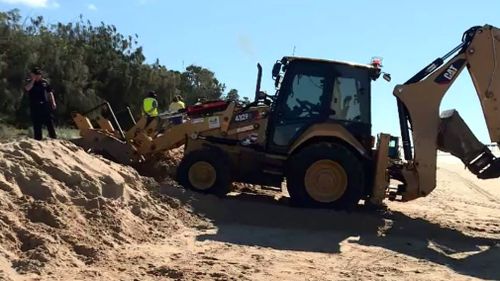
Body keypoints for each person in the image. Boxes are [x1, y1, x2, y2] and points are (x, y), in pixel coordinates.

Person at [24, 67, 57, 140]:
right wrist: (33, 80)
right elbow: (27, 88)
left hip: (44, 105)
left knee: (49, 121)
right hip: (35, 106)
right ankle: (38, 139)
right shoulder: (29, 82)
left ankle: (53, 137)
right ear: (32, 75)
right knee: (37, 123)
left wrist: (53, 102)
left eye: (39, 74)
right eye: (36, 74)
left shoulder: (44, 82)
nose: (38, 76)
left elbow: (50, 92)